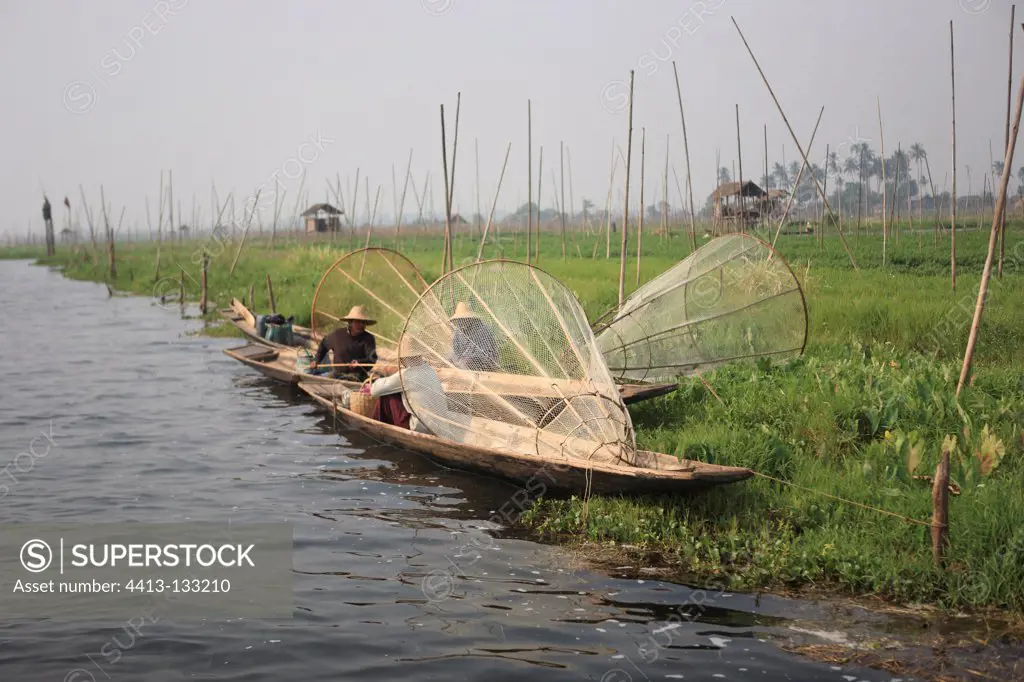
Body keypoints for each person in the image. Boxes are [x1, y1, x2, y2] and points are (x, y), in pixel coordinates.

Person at [367, 352, 442, 433]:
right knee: (392, 392)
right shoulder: (429, 370)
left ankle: (375, 430)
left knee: (386, 396)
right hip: (437, 425)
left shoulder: (407, 373)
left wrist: (382, 377)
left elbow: (374, 390)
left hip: (419, 427)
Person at [309, 305, 378, 380]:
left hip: (358, 375)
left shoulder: (368, 338)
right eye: (358, 322)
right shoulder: (337, 335)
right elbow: (324, 344)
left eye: (363, 322)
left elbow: (372, 358)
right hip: (337, 374)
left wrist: (359, 363)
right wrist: (317, 360)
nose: (361, 325)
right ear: (350, 322)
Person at [448, 301, 500, 371]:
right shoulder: (458, 332)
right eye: (459, 319)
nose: (461, 322)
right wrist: (454, 360)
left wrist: (467, 359)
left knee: (466, 362)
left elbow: (487, 354)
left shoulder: (481, 329)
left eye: (463, 319)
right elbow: (456, 351)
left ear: (470, 318)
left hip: (485, 363)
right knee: (449, 360)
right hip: (464, 361)